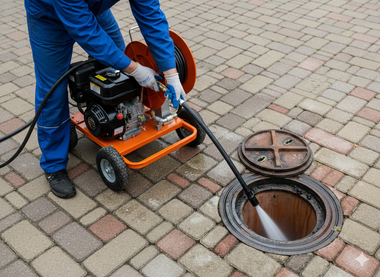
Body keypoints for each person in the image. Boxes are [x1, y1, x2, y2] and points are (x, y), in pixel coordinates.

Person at [24, 0, 186, 199]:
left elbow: (150, 13)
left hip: (92, 8)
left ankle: (115, 120)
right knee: (53, 89)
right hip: (49, 18)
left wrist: (170, 72)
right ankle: (54, 165)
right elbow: (86, 31)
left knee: (117, 63)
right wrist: (135, 69)